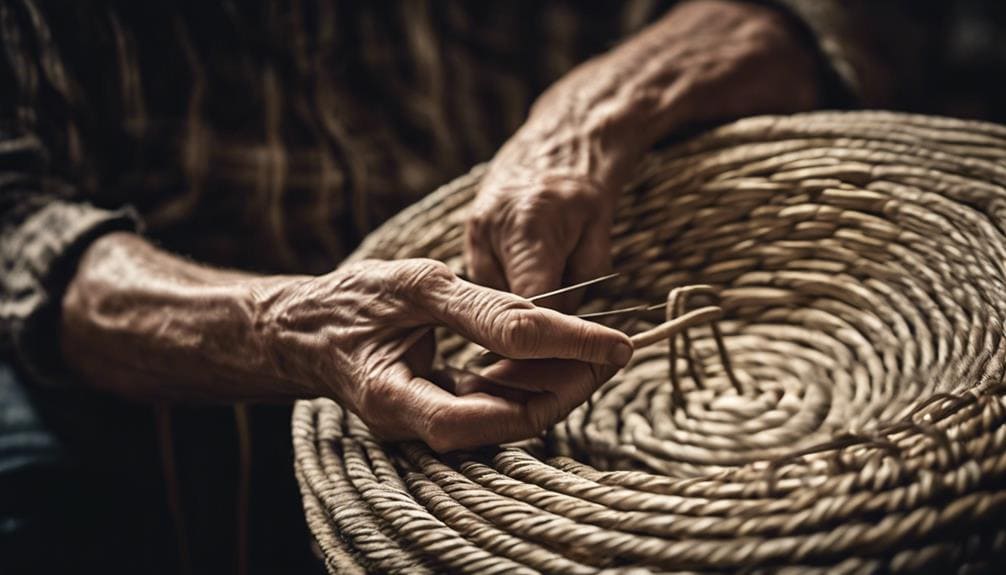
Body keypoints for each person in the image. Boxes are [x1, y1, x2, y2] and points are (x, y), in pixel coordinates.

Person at [0, 0, 960, 572]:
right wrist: (285, 326)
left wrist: (592, 114)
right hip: (204, 431)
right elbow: (19, 232)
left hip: (593, 240)